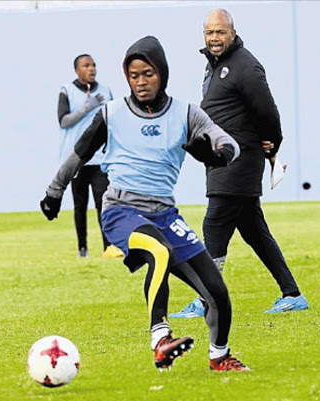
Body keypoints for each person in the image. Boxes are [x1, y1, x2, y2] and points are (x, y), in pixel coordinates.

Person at [40, 36, 249, 371]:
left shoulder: (185, 113)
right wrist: (54, 192)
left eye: (147, 74)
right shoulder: (112, 113)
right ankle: (160, 339)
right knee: (158, 250)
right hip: (121, 210)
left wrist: (219, 153)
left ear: (161, 73)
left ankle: (219, 356)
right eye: (134, 75)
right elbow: (78, 154)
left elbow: (227, 142)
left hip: (165, 214)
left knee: (217, 291)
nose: (140, 81)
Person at [171, 9, 308, 317]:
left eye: (220, 32)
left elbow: (268, 112)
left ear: (232, 33)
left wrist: (272, 145)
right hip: (222, 160)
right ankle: (292, 294)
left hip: (239, 159)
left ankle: (207, 298)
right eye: (209, 33)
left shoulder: (245, 65)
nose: (214, 38)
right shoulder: (214, 66)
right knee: (254, 231)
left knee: (214, 224)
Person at [58, 54, 123, 259]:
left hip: (99, 159)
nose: (92, 68)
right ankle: (82, 249)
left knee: (103, 202)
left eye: (94, 65)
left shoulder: (105, 91)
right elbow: (64, 121)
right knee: (80, 205)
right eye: (86, 65)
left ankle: (109, 247)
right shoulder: (66, 91)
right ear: (77, 70)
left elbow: (114, 120)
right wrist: (88, 108)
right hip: (76, 159)